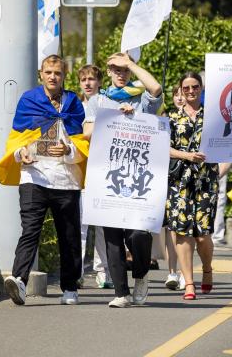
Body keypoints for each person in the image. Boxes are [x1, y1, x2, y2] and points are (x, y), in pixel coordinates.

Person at [0, 54, 87, 306]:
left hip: (65, 179)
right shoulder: (29, 100)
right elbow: (16, 138)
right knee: (30, 230)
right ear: (41, 74)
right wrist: (20, 153)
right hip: (34, 177)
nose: (53, 77)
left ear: (63, 76)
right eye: (48, 72)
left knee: (68, 235)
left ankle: (70, 287)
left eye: (57, 73)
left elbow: (80, 142)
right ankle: (19, 280)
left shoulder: (73, 103)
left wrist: (68, 151)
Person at [83, 52, 163, 308]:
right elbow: (86, 133)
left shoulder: (141, 98)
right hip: (108, 174)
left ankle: (140, 275)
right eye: (115, 69)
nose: (120, 73)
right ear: (107, 72)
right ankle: (121, 292)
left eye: (124, 69)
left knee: (139, 234)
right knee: (112, 238)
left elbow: (156, 88)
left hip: (140, 176)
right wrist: (114, 117)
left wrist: (132, 64)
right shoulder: (98, 100)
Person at [165, 72, 218, 301]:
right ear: (180, 91)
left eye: (194, 87)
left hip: (206, 180)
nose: (190, 92)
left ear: (201, 88)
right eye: (186, 88)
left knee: (203, 235)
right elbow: (163, 147)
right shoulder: (172, 118)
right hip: (180, 181)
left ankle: (207, 269)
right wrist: (187, 155)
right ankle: (188, 282)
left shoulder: (214, 116)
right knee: (181, 232)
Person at [75, 63, 111, 289]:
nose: (88, 83)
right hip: (80, 171)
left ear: (99, 82)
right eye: (83, 80)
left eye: (91, 79)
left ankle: (102, 270)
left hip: (103, 171)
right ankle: (76, 271)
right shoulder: (76, 107)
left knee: (102, 225)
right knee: (79, 225)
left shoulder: (107, 105)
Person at [163, 86, 186, 290]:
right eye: (176, 94)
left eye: (183, 93)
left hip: (192, 180)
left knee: (188, 230)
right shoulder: (166, 118)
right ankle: (172, 272)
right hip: (170, 178)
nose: (180, 97)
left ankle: (186, 273)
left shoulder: (200, 117)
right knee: (171, 227)